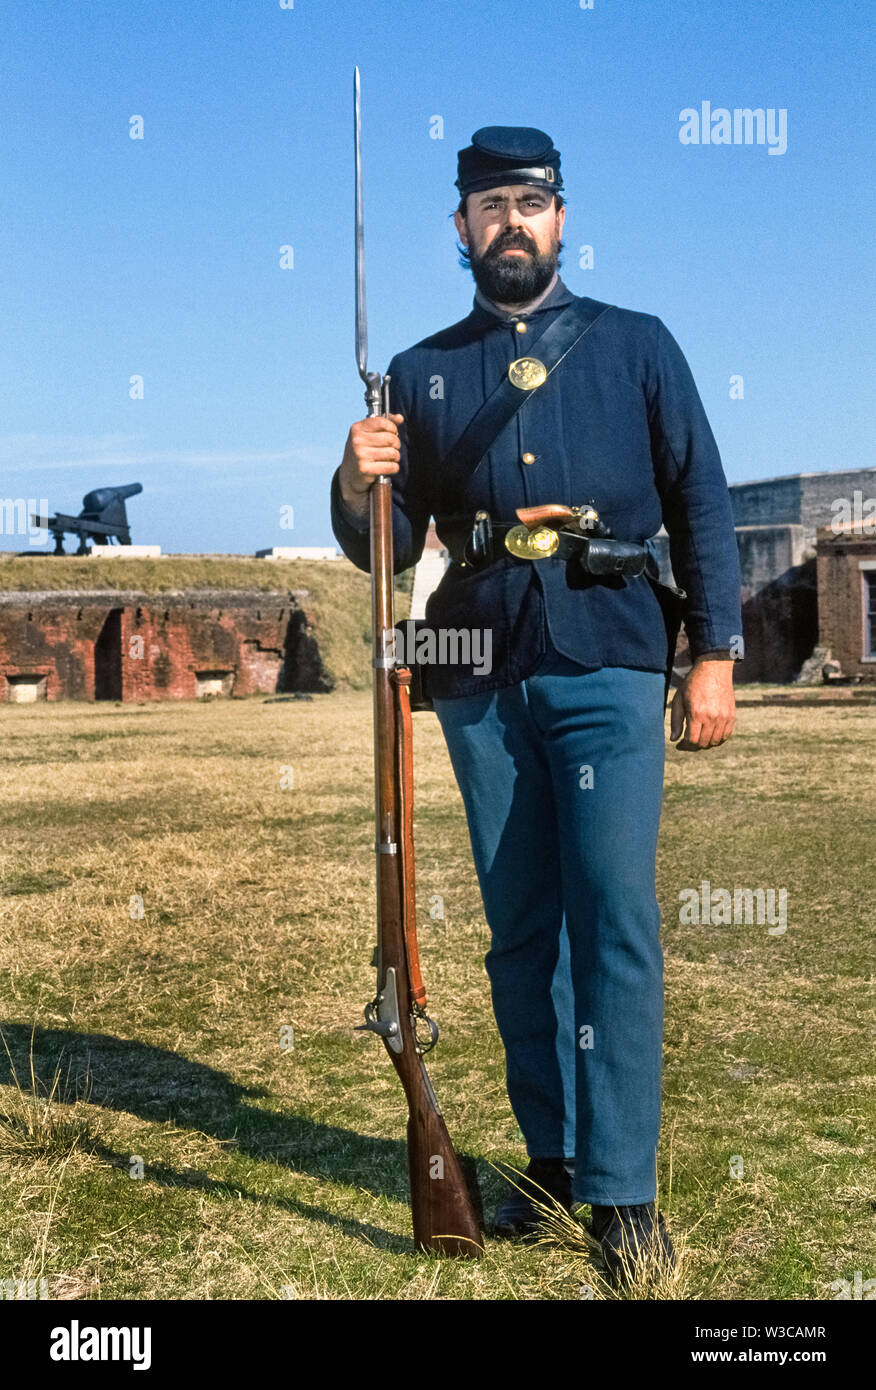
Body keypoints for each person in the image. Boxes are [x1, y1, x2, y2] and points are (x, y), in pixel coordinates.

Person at [331, 126, 741, 1285]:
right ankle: (553, 1161)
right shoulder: (415, 373)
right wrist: (357, 473)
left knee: (613, 917)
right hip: (473, 664)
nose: (510, 222)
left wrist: (713, 653)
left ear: (562, 219)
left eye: (531, 202)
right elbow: (387, 544)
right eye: (489, 205)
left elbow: (701, 498)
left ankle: (622, 1194)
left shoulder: (638, 347)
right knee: (521, 928)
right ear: (458, 229)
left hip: (609, 653)